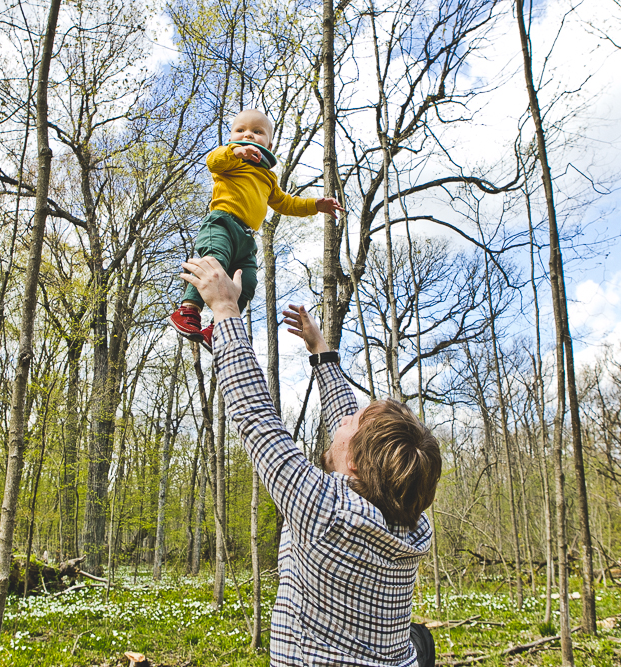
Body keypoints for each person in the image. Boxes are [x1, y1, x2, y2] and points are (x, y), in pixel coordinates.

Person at [179, 256, 440, 667]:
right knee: (419, 641)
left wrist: (226, 310)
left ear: (353, 465)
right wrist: (321, 352)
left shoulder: (327, 513)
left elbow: (256, 418)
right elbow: (349, 429)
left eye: (351, 422)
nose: (343, 419)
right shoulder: (410, 519)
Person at [167, 109, 344, 352]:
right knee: (214, 261)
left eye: (257, 131)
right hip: (221, 223)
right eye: (240, 131)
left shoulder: (267, 177)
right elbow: (213, 161)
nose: (248, 135)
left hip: (246, 237)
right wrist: (235, 151)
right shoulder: (229, 161)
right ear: (231, 138)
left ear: (269, 144)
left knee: (247, 282)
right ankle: (188, 309)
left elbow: (286, 203)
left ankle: (217, 329)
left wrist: (315, 205)